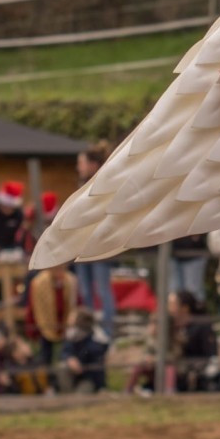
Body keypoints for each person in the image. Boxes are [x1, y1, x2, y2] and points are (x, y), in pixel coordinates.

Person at [73, 143, 118, 335]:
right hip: (82, 245)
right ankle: (90, 332)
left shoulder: (106, 183)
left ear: (93, 164)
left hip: (100, 244)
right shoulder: (82, 184)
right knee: (85, 291)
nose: (79, 167)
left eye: (81, 163)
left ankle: (107, 334)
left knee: (102, 290)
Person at [26, 263, 79, 379]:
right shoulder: (38, 282)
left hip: (66, 325)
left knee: (65, 356)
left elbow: (77, 303)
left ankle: (63, 383)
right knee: (45, 358)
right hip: (45, 324)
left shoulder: (71, 280)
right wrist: (32, 331)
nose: (59, 271)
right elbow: (32, 307)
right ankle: (47, 384)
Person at [59, 307, 110, 393]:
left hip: (88, 378)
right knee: (62, 368)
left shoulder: (95, 340)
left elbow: (96, 366)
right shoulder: (71, 335)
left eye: (72, 317)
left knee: (81, 397)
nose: (69, 319)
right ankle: (67, 396)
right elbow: (65, 351)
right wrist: (69, 358)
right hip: (73, 375)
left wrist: (81, 365)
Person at [0, 181, 25, 259]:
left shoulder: (18, 215)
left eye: (11, 207)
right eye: (5, 206)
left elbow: (18, 236)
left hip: (8, 252)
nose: (8, 210)